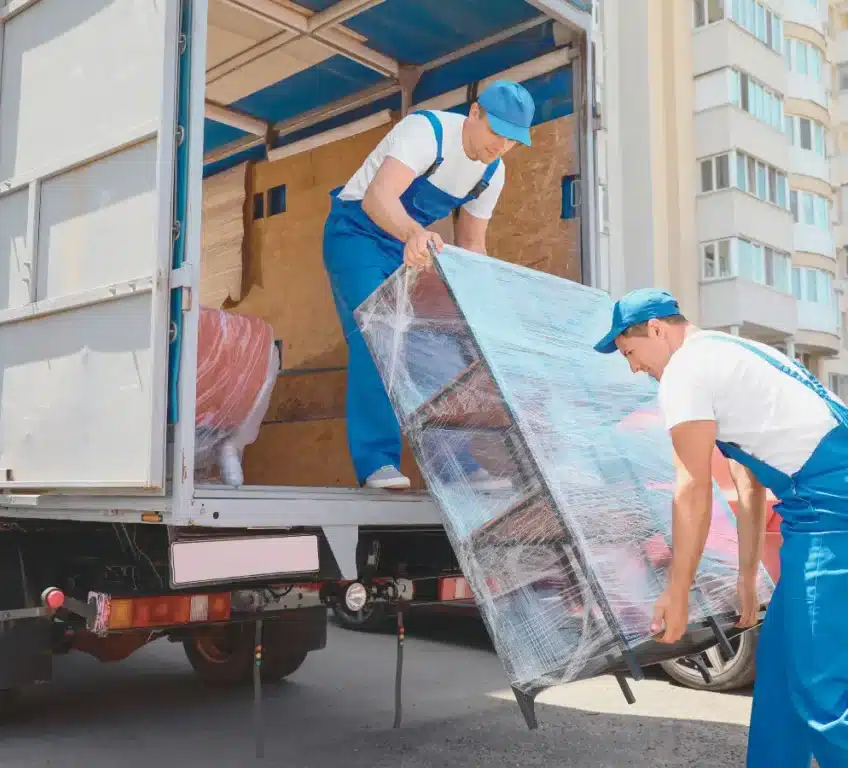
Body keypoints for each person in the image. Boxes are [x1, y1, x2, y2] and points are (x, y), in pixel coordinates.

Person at [593, 288, 848, 768]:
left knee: (822, 695)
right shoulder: (727, 351)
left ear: (656, 329)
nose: (633, 368)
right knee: (778, 676)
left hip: (833, 512)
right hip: (816, 511)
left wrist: (677, 591)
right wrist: (747, 579)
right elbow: (747, 484)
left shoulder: (686, 369)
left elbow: (690, 487)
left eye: (629, 353)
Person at [322, 79, 536, 490]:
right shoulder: (427, 132)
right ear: (475, 113)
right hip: (358, 236)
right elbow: (377, 198)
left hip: (410, 245)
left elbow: (472, 244)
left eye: (512, 141)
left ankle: (457, 468)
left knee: (438, 348)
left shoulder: (494, 172)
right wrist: (414, 235)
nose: (501, 146)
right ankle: (375, 464)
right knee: (377, 335)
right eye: (497, 133)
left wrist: (483, 307)